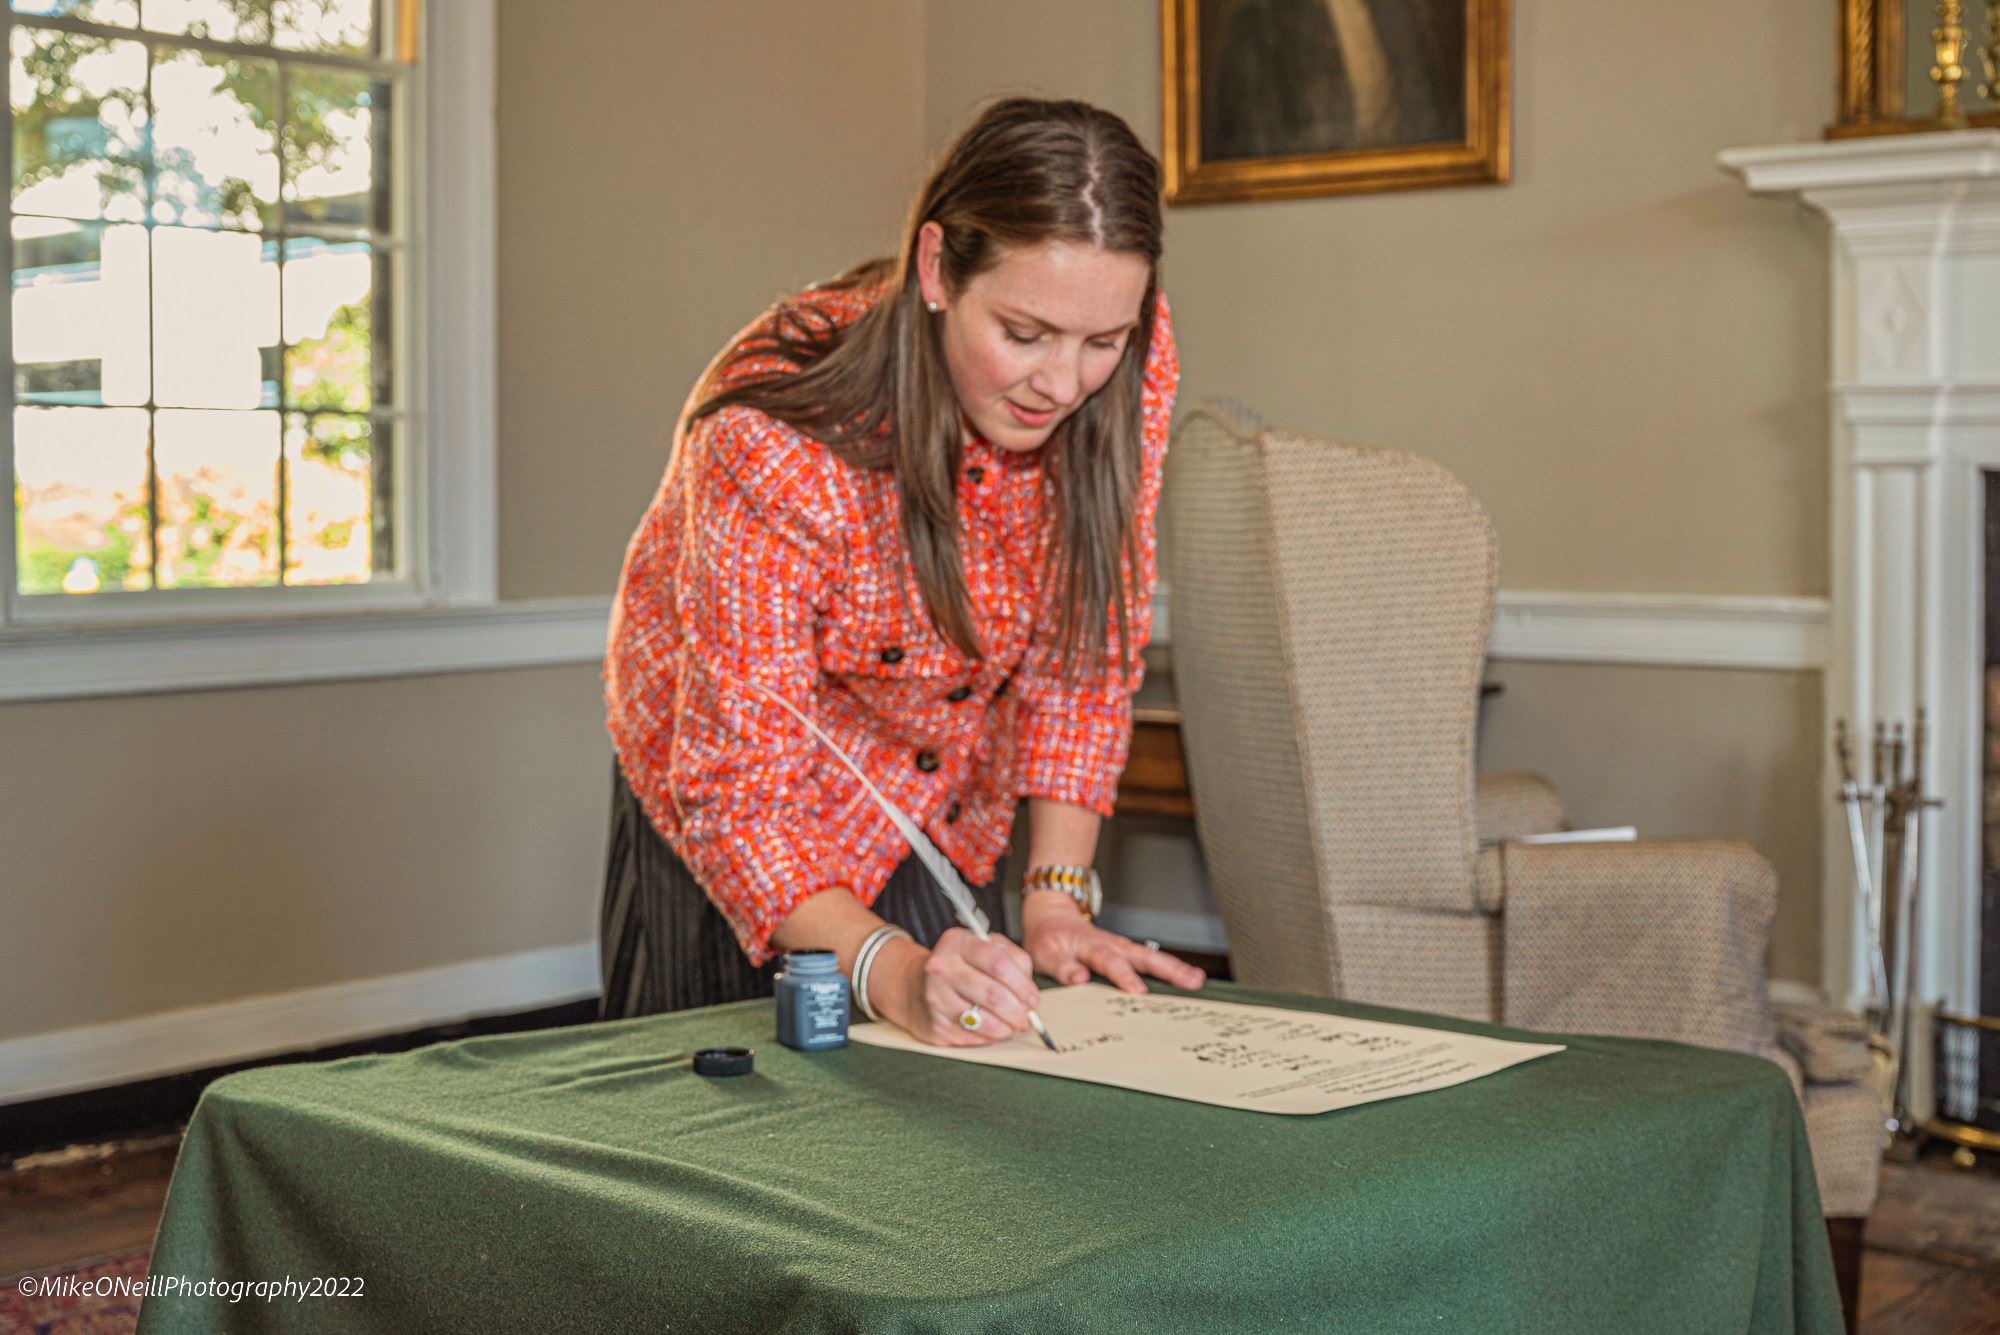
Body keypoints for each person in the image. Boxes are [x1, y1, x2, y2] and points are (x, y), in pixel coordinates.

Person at [600, 96, 1206, 1046]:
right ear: (936, 269)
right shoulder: (770, 441)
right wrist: (893, 967)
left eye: (1102, 341)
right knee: (719, 1117)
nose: (1064, 383)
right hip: (740, 783)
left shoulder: (1130, 362)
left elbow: (1085, 656)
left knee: (941, 1100)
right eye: (1024, 332)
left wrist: (1053, 904)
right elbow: (737, 790)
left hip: (941, 784)